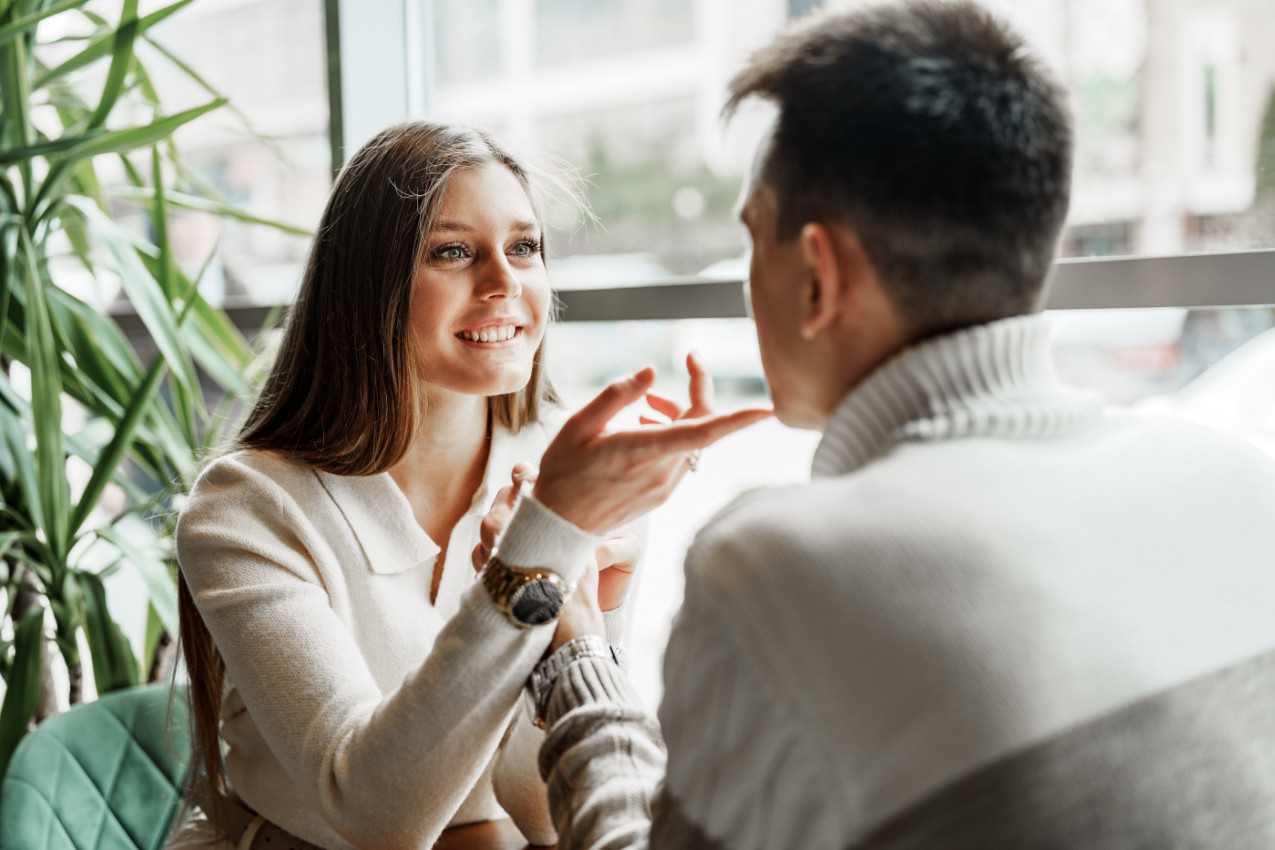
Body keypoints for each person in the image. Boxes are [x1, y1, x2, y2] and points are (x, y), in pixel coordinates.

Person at [480, 2, 1275, 848]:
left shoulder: (775, 566)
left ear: (817, 274)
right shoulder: (1240, 479)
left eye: (753, 239)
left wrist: (574, 653)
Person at [167, 121, 769, 850]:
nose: (504, 284)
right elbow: (374, 814)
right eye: (454, 251)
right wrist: (537, 555)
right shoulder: (244, 509)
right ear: (366, 283)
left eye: (524, 247)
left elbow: (544, 809)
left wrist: (571, 618)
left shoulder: (566, 470)